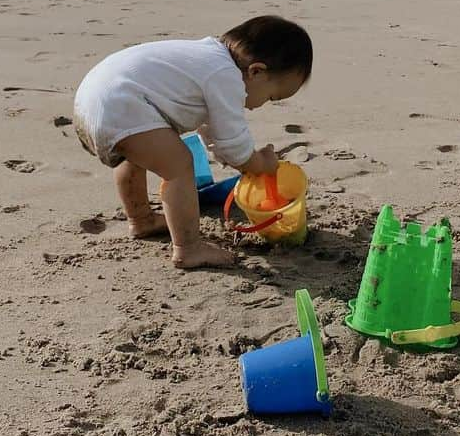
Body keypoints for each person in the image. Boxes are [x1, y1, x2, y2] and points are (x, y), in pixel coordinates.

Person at [72, 15, 312, 268]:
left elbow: (211, 129)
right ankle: (188, 248)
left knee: (133, 155)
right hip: (120, 105)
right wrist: (258, 163)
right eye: (272, 97)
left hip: (95, 101)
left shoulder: (206, 59)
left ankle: (141, 219)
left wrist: (231, 155)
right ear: (256, 71)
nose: (265, 104)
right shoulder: (226, 76)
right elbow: (233, 142)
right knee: (179, 165)